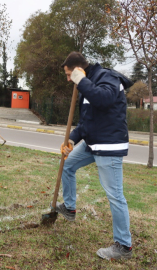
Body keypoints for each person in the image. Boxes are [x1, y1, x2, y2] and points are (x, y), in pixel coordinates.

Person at [58, 51, 133, 260]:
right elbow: (87, 122)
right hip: (93, 143)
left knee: (115, 195)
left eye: (68, 74)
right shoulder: (86, 84)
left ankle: (123, 246)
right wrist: (72, 140)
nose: (68, 79)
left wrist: (81, 80)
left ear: (78, 69)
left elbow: (105, 99)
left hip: (108, 145)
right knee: (67, 165)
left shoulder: (107, 78)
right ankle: (69, 208)